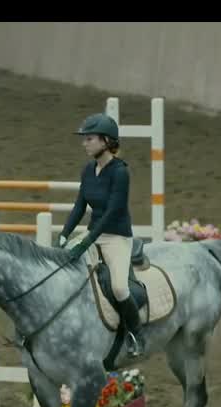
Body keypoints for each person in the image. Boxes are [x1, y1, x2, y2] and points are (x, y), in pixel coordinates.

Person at [58, 112, 145, 357]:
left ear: (106, 141)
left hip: (116, 237)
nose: (84, 143)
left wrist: (86, 242)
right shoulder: (88, 170)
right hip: (92, 234)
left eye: (90, 138)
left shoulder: (120, 173)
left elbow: (112, 212)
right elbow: (79, 206)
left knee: (119, 288)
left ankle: (136, 333)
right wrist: (64, 236)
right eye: (84, 139)